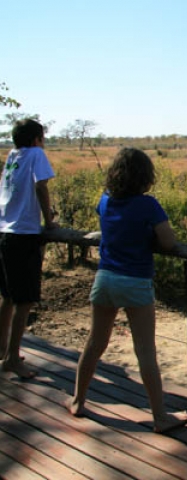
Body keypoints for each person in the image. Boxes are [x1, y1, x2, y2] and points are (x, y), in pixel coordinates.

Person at [66, 147, 187, 434]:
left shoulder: (105, 201)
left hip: (105, 277)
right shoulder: (148, 205)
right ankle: (160, 417)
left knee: (94, 344)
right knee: (145, 351)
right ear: (145, 176)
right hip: (134, 281)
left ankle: (78, 400)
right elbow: (169, 242)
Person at [0, 119, 57, 379]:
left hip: (5, 231)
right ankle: (12, 358)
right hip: (24, 233)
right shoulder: (36, 154)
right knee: (24, 300)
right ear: (37, 139)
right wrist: (49, 219)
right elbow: (40, 185)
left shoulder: (13, 155)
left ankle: (4, 350)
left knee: (8, 296)